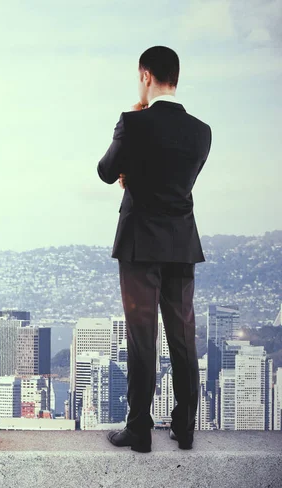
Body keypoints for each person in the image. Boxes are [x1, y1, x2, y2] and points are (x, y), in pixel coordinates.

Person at [97, 46, 212, 453]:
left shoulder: (133, 123)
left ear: (145, 76)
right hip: (181, 243)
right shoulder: (202, 131)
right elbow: (178, 180)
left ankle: (139, 430)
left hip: (140, 242)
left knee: (141, 336)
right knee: (183, 336)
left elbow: (106, 172)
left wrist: (126, 129)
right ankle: (185, 427)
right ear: (175, 78)